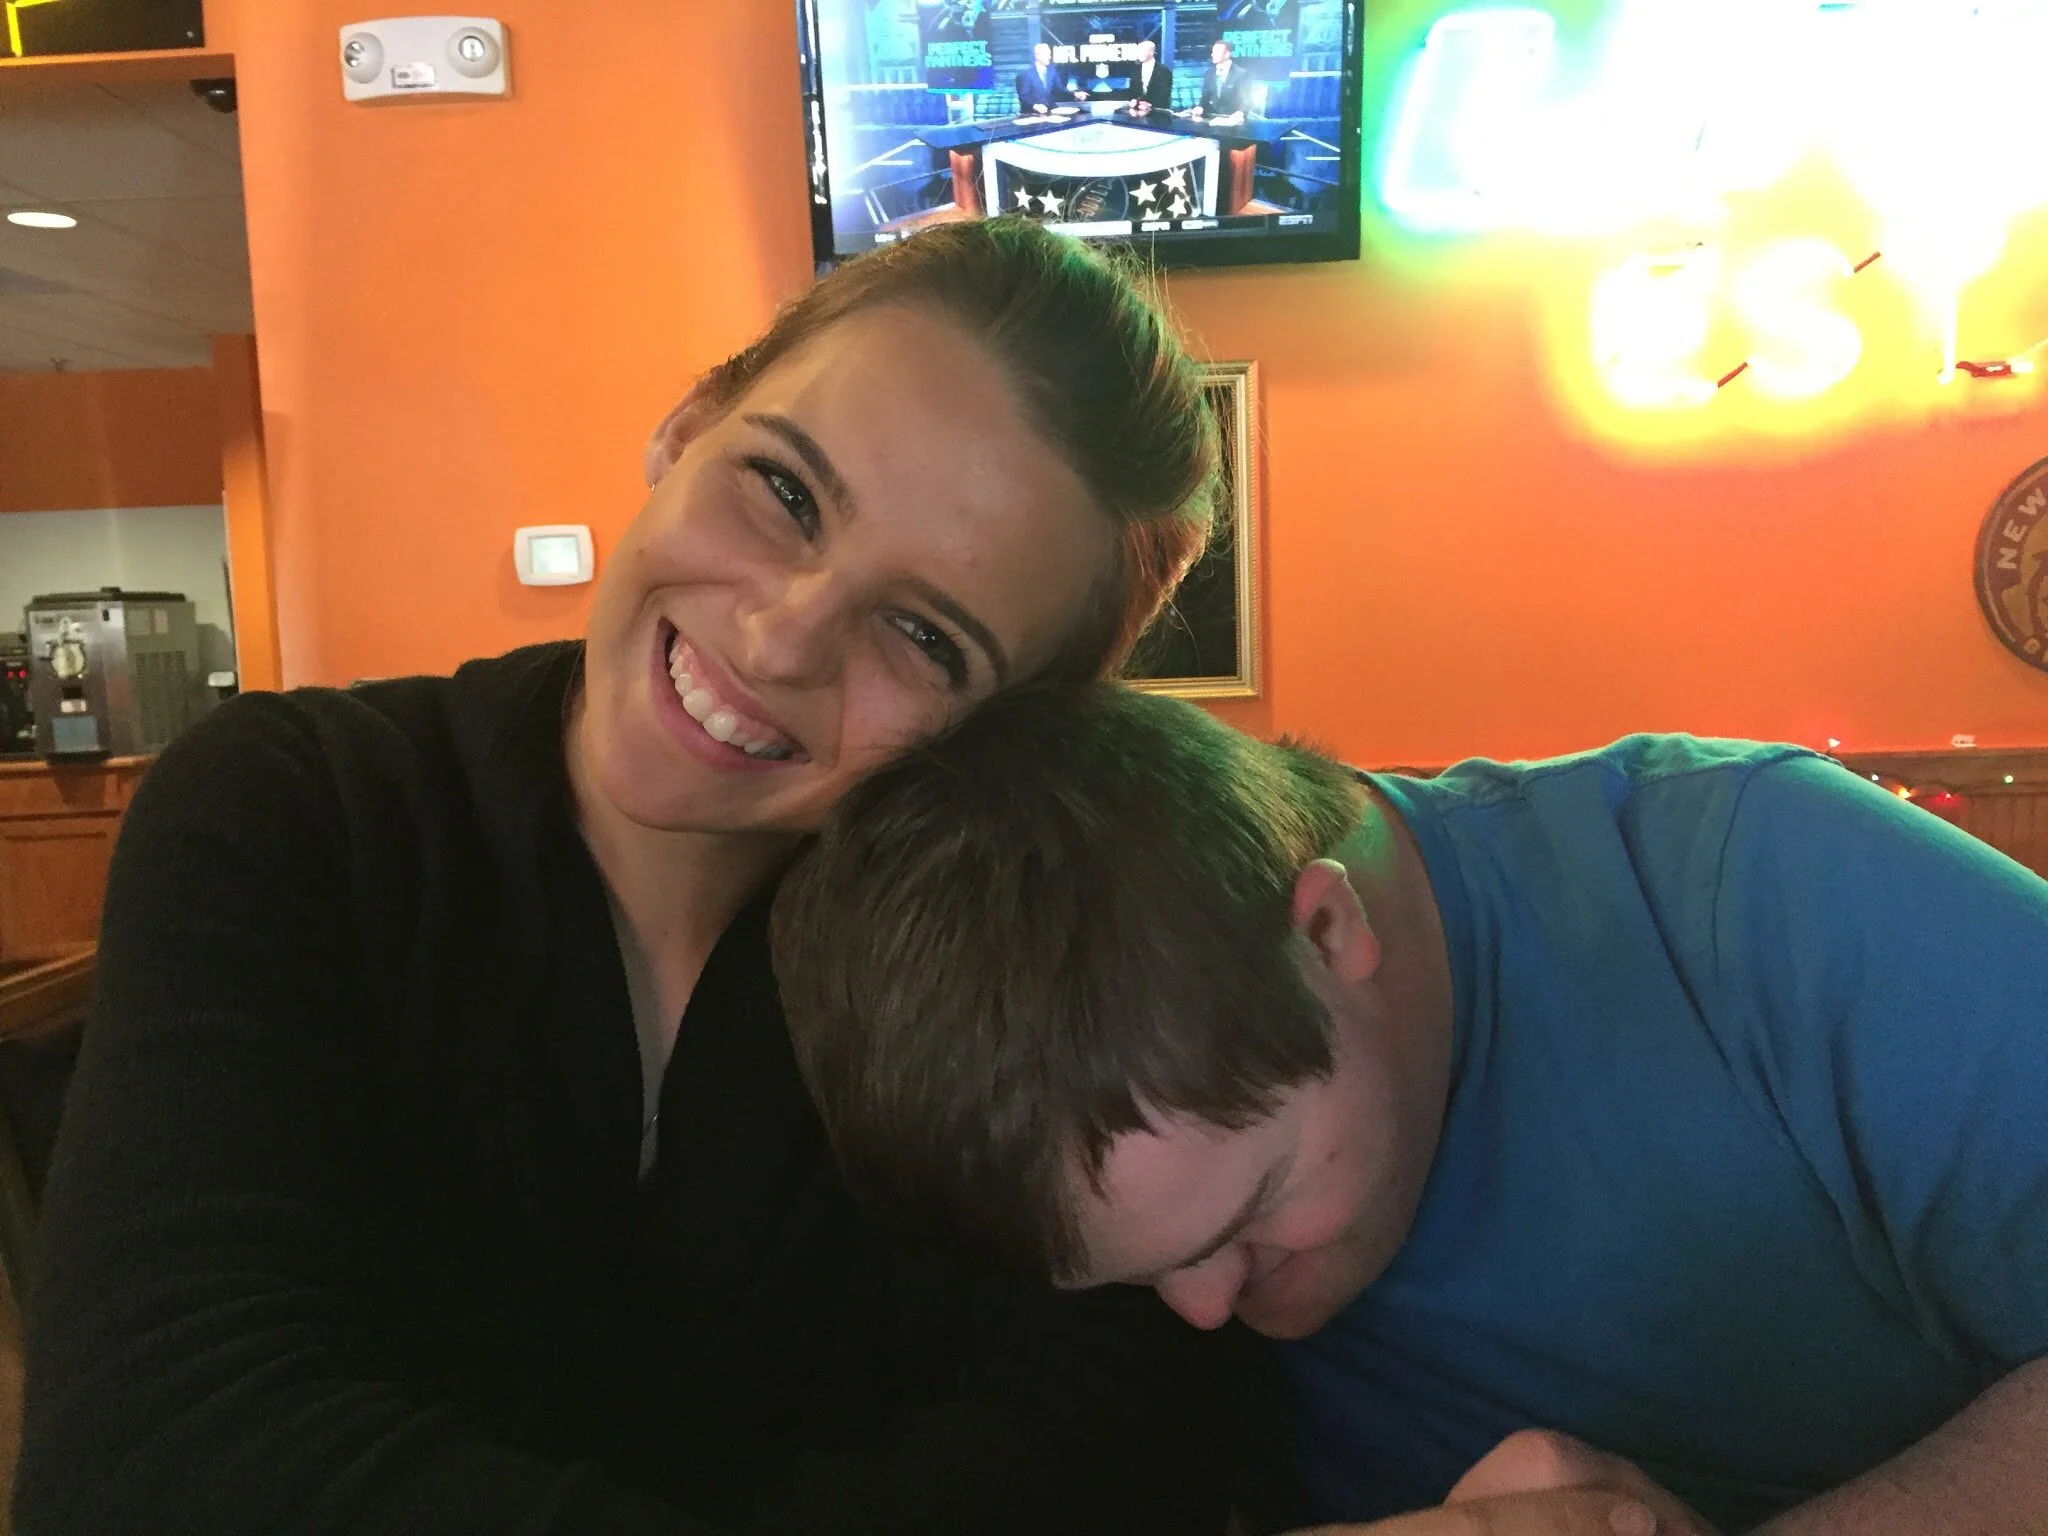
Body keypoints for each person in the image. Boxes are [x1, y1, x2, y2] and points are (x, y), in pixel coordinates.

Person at [13, 222, 1242, 1536]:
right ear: (686, 426)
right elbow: (153, 1454)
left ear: (998, 739)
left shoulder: (1013, 967)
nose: (780, 636)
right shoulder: (296, 808)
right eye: (784, 491)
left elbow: (1110, 1443)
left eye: (927, 636)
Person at [772, 682, 2048, 1536]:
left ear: (1326, 929)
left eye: (1255, 1213)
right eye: (1137, 1278)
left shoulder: (1744, 886)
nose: (1207, 1312)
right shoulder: (1116, 1210)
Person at [1192, 39, 1252, 122]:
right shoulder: (1209, 73)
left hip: (1234, 121)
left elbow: (1247, 99)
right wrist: (1200, 107)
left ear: (1227, 54)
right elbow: (1204, 98)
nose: (1212, 55)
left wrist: (1241, 113)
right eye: (1213, 52)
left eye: (1216, 52)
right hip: (1212, 119)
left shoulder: (1241, 74)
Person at [1016, 41, 1065, 113]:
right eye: (1047, 54)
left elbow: (1060, 89)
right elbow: (1024, 96)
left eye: (1050, 54)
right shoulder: (1026, 75)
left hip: (1051, 113)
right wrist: (1035, 106)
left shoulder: (1052, 72)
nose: (1049, 57)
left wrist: (1075, 94)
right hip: (1033, 115)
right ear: (1037, 56)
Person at [1131, 39, 1174, 116]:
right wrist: (1134, 100)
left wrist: (1149, 104)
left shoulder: (1163, 71)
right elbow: (1133, 90)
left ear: (1151, 52)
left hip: (1159, 113)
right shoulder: (1136, 69)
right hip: (1138, 112)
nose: (1138, 54)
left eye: (1141, 51)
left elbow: (1164, 93)